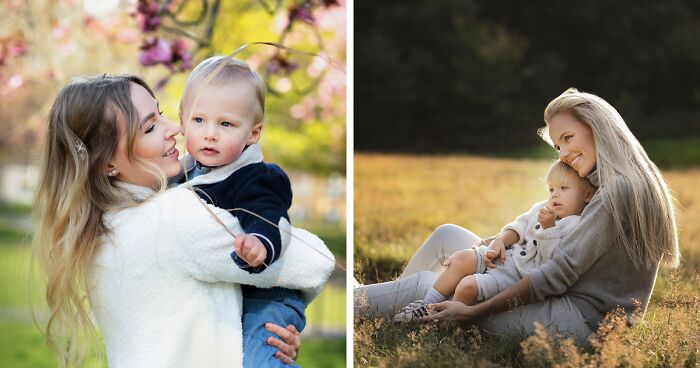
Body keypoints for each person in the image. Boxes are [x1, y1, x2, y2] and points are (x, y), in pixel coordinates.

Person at [32, 74, 334, 367]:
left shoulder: (100, 226)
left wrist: (256, 338)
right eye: (150, 127)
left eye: (161, 114)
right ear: (106, 162)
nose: (174, 128)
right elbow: (313, 263)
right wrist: (268, 329)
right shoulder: (173, 217)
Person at [355, 88, 679, 345]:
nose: (563, 154)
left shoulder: (617, 191)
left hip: (580, 324)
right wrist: (497, 243)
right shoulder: (602, 181)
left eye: (568, 138)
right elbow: (539, 231)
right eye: (558, 146)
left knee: (435, 285)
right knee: (448, 236)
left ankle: (359, 306)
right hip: (558, 295)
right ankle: (387, 316)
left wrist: (471, 311)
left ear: (599, 129)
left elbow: (554, 277)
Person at [175, 55, 309, 367]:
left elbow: (273, 217)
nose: (210, 133)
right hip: (230, 299)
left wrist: (261, 244)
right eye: (198, 120)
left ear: (253, 133)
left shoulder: (254, 177)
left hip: (268, 298)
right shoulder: (183, 173)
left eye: (226, 124)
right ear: (182, 120)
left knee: (260, 357)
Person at [393, 161, 596, 321]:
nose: (555, 195)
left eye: (564, 188)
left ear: (587, 195)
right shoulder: (543, 207)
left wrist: (549, 229)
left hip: (517, 277)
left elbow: (554, 262)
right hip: (507, 256)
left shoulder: (577, 226)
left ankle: (445, 324)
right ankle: (424, 306)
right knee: (462, 258)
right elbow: (520, 225)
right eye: (551, 189)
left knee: (467, 287)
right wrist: (500, 240)